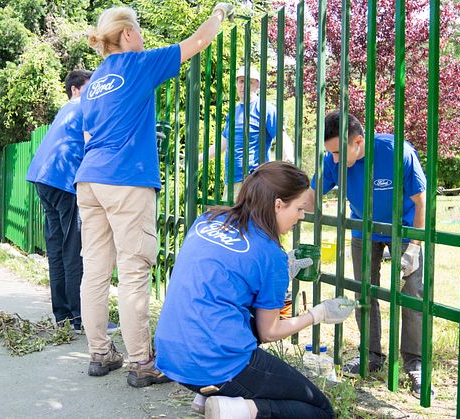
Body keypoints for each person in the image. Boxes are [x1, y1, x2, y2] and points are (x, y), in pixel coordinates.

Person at [75, 3, 236, 387]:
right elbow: (199, 40)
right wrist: (219, 12)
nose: (143, 36)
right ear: (127, 34)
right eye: (140, 30)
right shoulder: (139, 63)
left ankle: (100, 353)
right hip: (126, 180)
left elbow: (86, 136)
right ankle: (142, 363)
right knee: (133, 271)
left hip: (89, 180)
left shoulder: (94, 82)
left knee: (95, 270)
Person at [155, 161, 354, 419]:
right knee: (320, 410)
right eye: (299, 208)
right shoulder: (271, 255)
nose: (302, 217)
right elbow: (269, 332)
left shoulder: (210, 219)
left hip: (172, 351)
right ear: (278, 204)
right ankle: (233, 408)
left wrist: (281, 270)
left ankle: (206, 395)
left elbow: (222, 277)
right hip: (214, 363)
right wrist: (318, 314)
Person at [308, 111, 430, 398]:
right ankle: (371, 355)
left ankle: (414, 362)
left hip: (404, 227)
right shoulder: (334, 159)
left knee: (411, 292)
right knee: (364, 292)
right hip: (363, 228)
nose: (334, 160)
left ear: (358, 141)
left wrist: (414, 247)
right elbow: (312, 193)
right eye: (330, 153)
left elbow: (421, 201)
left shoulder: (396, 151)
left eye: (338, 151)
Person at [26, 69, 118, 335]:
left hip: (42, 177)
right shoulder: (86, 106)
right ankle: (81, 317)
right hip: (64, 181)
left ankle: (63, 316)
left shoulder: (66, 109)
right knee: (74, 248)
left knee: (56, 248)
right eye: (91, 87)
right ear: (76, 89)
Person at [201, 65, 294, 199]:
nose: (243, 86)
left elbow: (282, 137)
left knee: (250, 219)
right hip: (231, 181)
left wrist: (289, 159)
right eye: (241, 81)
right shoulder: (233, 112)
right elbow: (222, 145)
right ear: (237, 84)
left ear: (257, 85)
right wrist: (197, 159)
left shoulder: (266, 109)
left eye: (249, 82)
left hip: (254, 180)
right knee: (230, 219)